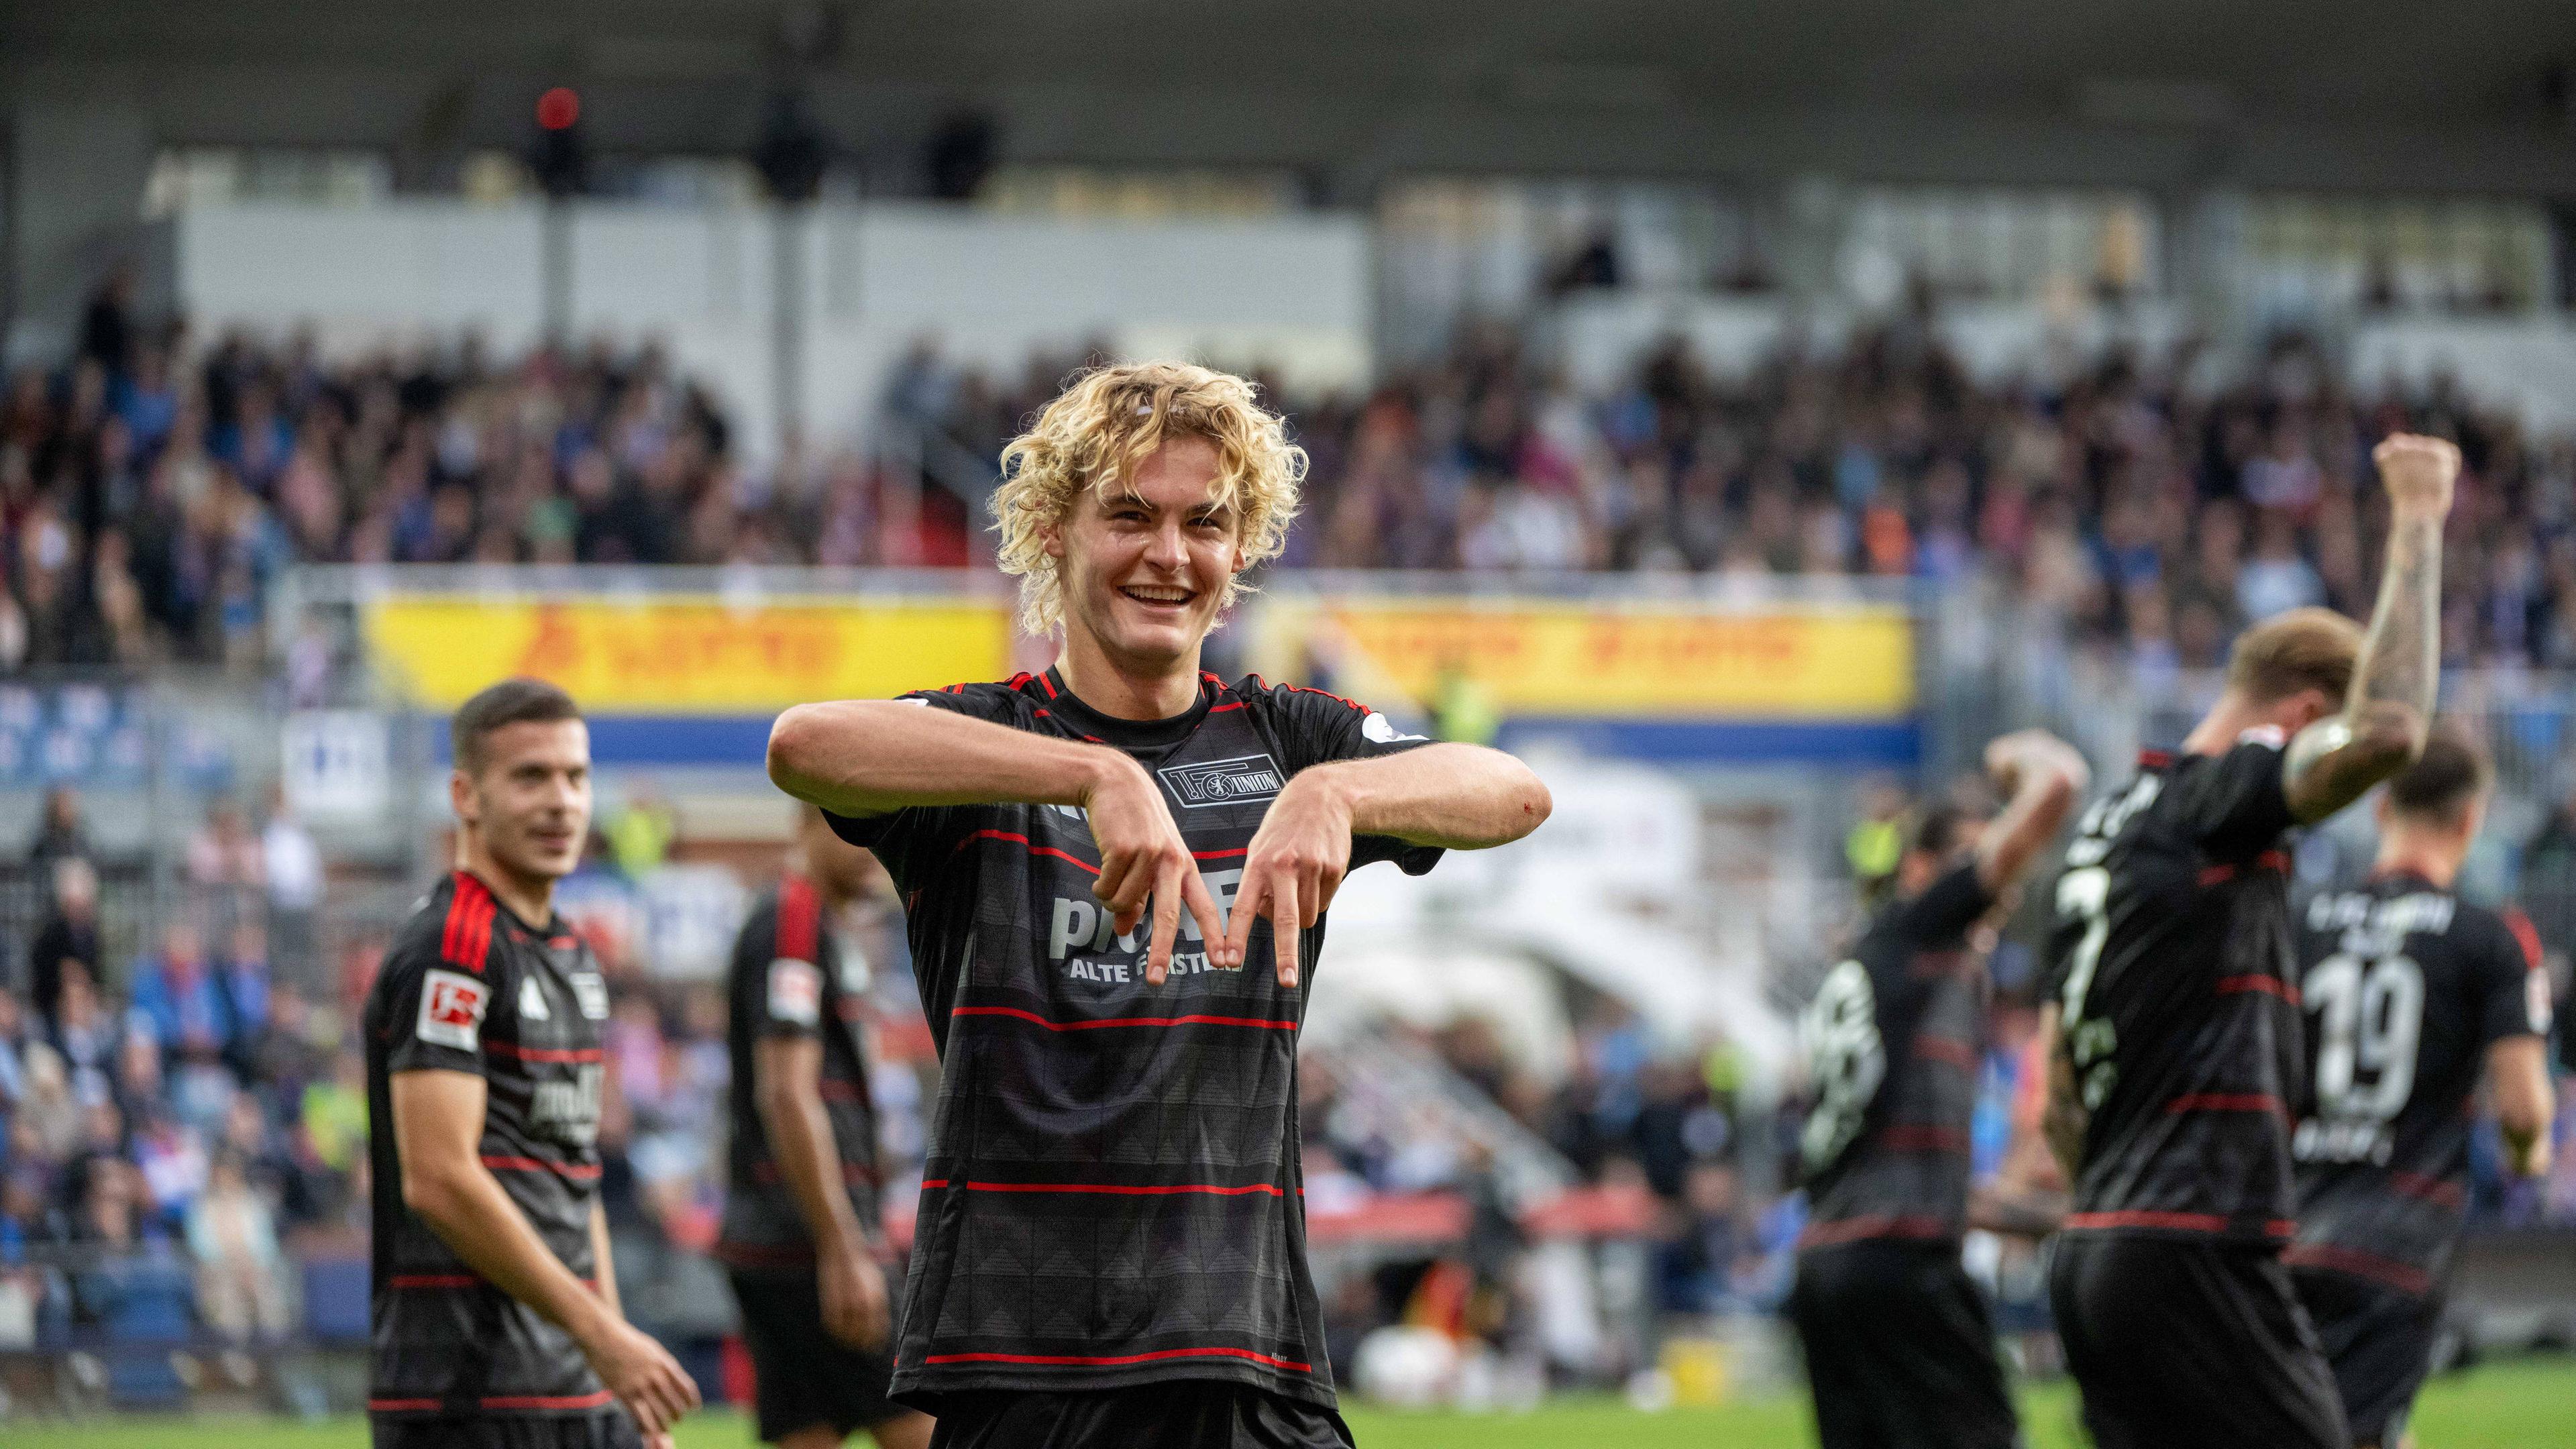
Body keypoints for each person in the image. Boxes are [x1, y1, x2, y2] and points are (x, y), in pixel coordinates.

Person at [765, 361, 1550, 1449]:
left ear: (1239, 558)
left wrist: (1337, 790)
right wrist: (1089, 775)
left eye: (1206, 524)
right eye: (1129, 515)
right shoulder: (986, 747)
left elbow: (1510, 791)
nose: (1170, 555)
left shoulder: (1284, 741)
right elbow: (805, 746)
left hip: (1251, 1356)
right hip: (1027, 1374)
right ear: (1054, 532)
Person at [2037, 434, 2459, 1449]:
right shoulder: (2220, 795)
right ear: (2301, 716)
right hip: (2195, 1249)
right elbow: (2393, 733)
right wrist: (2417, 515)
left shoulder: (2107, 831)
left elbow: (2057, 1090)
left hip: (2095, 1249)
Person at [362, 678, 700, 1448]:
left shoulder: (574, 953)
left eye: (575, 777)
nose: (561, 801)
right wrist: (603, 1335)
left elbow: (574, 1184)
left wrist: (617, 1365)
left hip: (575, 1386)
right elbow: (439, 1177)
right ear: (465, 796)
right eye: (530, 777)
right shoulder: (451, 947)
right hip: (469, 1395)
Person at [1788, 728, 2089, 1449]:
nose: (1999, 880)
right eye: (1971, 857)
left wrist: (2061, 1215)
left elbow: (1889, 1174)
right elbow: (2058, 785)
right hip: (1901, 1267)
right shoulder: (1919, 937)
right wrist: (2015, 758)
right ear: (1920, 870)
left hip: (1833, 1265)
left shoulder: (1875, 963)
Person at [2286, 736, 2556, 1449]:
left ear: (2380, 808)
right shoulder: (2491, 939)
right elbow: (2524, 1106)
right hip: (2395, 1244)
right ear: (2470, 820)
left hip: (2282, 1234)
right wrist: (2528, 1156)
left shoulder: (2299, 921)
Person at [716, 804, 934, 1449]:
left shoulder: (816, 926)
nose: (879, 846)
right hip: (810, 1241)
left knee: (807, 1432)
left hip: (776, 1239)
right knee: (925, 1428)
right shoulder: (793, 919)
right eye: (866, 826)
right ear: (811, 819)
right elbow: (787, 1092)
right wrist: (845, 1245)